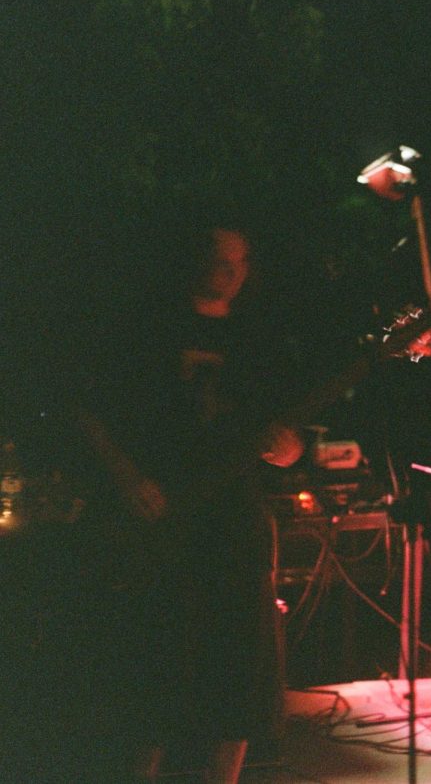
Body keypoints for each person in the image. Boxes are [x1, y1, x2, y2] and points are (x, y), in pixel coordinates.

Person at [76, 225, 303, 782]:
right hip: (161, 515)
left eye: (237, 262)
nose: (226, 271)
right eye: (216, 259)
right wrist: (129, 480)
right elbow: (90, 411)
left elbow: (289, 439)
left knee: (241, 661)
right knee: (158, 657)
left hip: (234, 518)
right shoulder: (148, 329)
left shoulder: (257, 339)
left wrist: (284, 447)